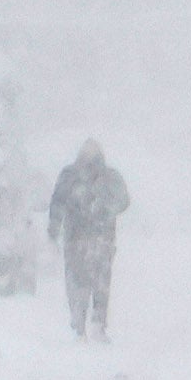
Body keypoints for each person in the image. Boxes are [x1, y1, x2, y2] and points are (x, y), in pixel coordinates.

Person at [47, 140, 130, 342]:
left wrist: (54, 230)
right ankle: (93, 324)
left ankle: (83, 325)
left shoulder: (71, 176)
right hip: (98, 238)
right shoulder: (108, 177)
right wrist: (106, 209)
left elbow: (57, 203)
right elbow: (123, 201)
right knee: (98, 282)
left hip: (81, 239)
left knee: (79, 282)